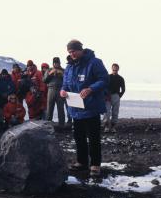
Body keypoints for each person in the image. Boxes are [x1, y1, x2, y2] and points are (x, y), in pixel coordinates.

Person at [60, 39, 109, 176]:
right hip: (75, 109)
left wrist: (91, 89)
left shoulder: (94, 63)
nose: (72, 54)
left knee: (93, 137)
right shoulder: (69, 67)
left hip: (91, 107)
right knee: (78, 136)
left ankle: (95, 165)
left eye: (74, 51)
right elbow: (65, 83)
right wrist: (62, 91)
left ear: (80, 50)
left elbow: (104, 79)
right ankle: (82, 162)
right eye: (69, 52)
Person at [43, 57, 65, 128]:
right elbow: (44, 80)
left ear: (60, 63)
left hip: (60, 90)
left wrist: (62, 75)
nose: (56, 64)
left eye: (57, 63)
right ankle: (48, 125)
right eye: (55, 63)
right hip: (51, 90)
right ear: (53, 63)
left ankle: (62, 124)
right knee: (49, 108)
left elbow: (67, 80)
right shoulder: (49, 70)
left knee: (60, 108)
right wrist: (50, 74)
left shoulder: (63, 70)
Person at [104, 63, 125, 133]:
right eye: (113, 68)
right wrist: (105, 95)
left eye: (116, 68)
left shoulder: (120, 78)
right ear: (112, 68)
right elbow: (104, 86)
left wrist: (119, 96)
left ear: (118, 69)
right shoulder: (107, 77)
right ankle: (106, 126)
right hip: (107, 96)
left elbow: (123, 89)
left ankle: (113, 127)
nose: (115, 69)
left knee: (115, 112)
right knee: (106, 112)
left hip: (116, 96)